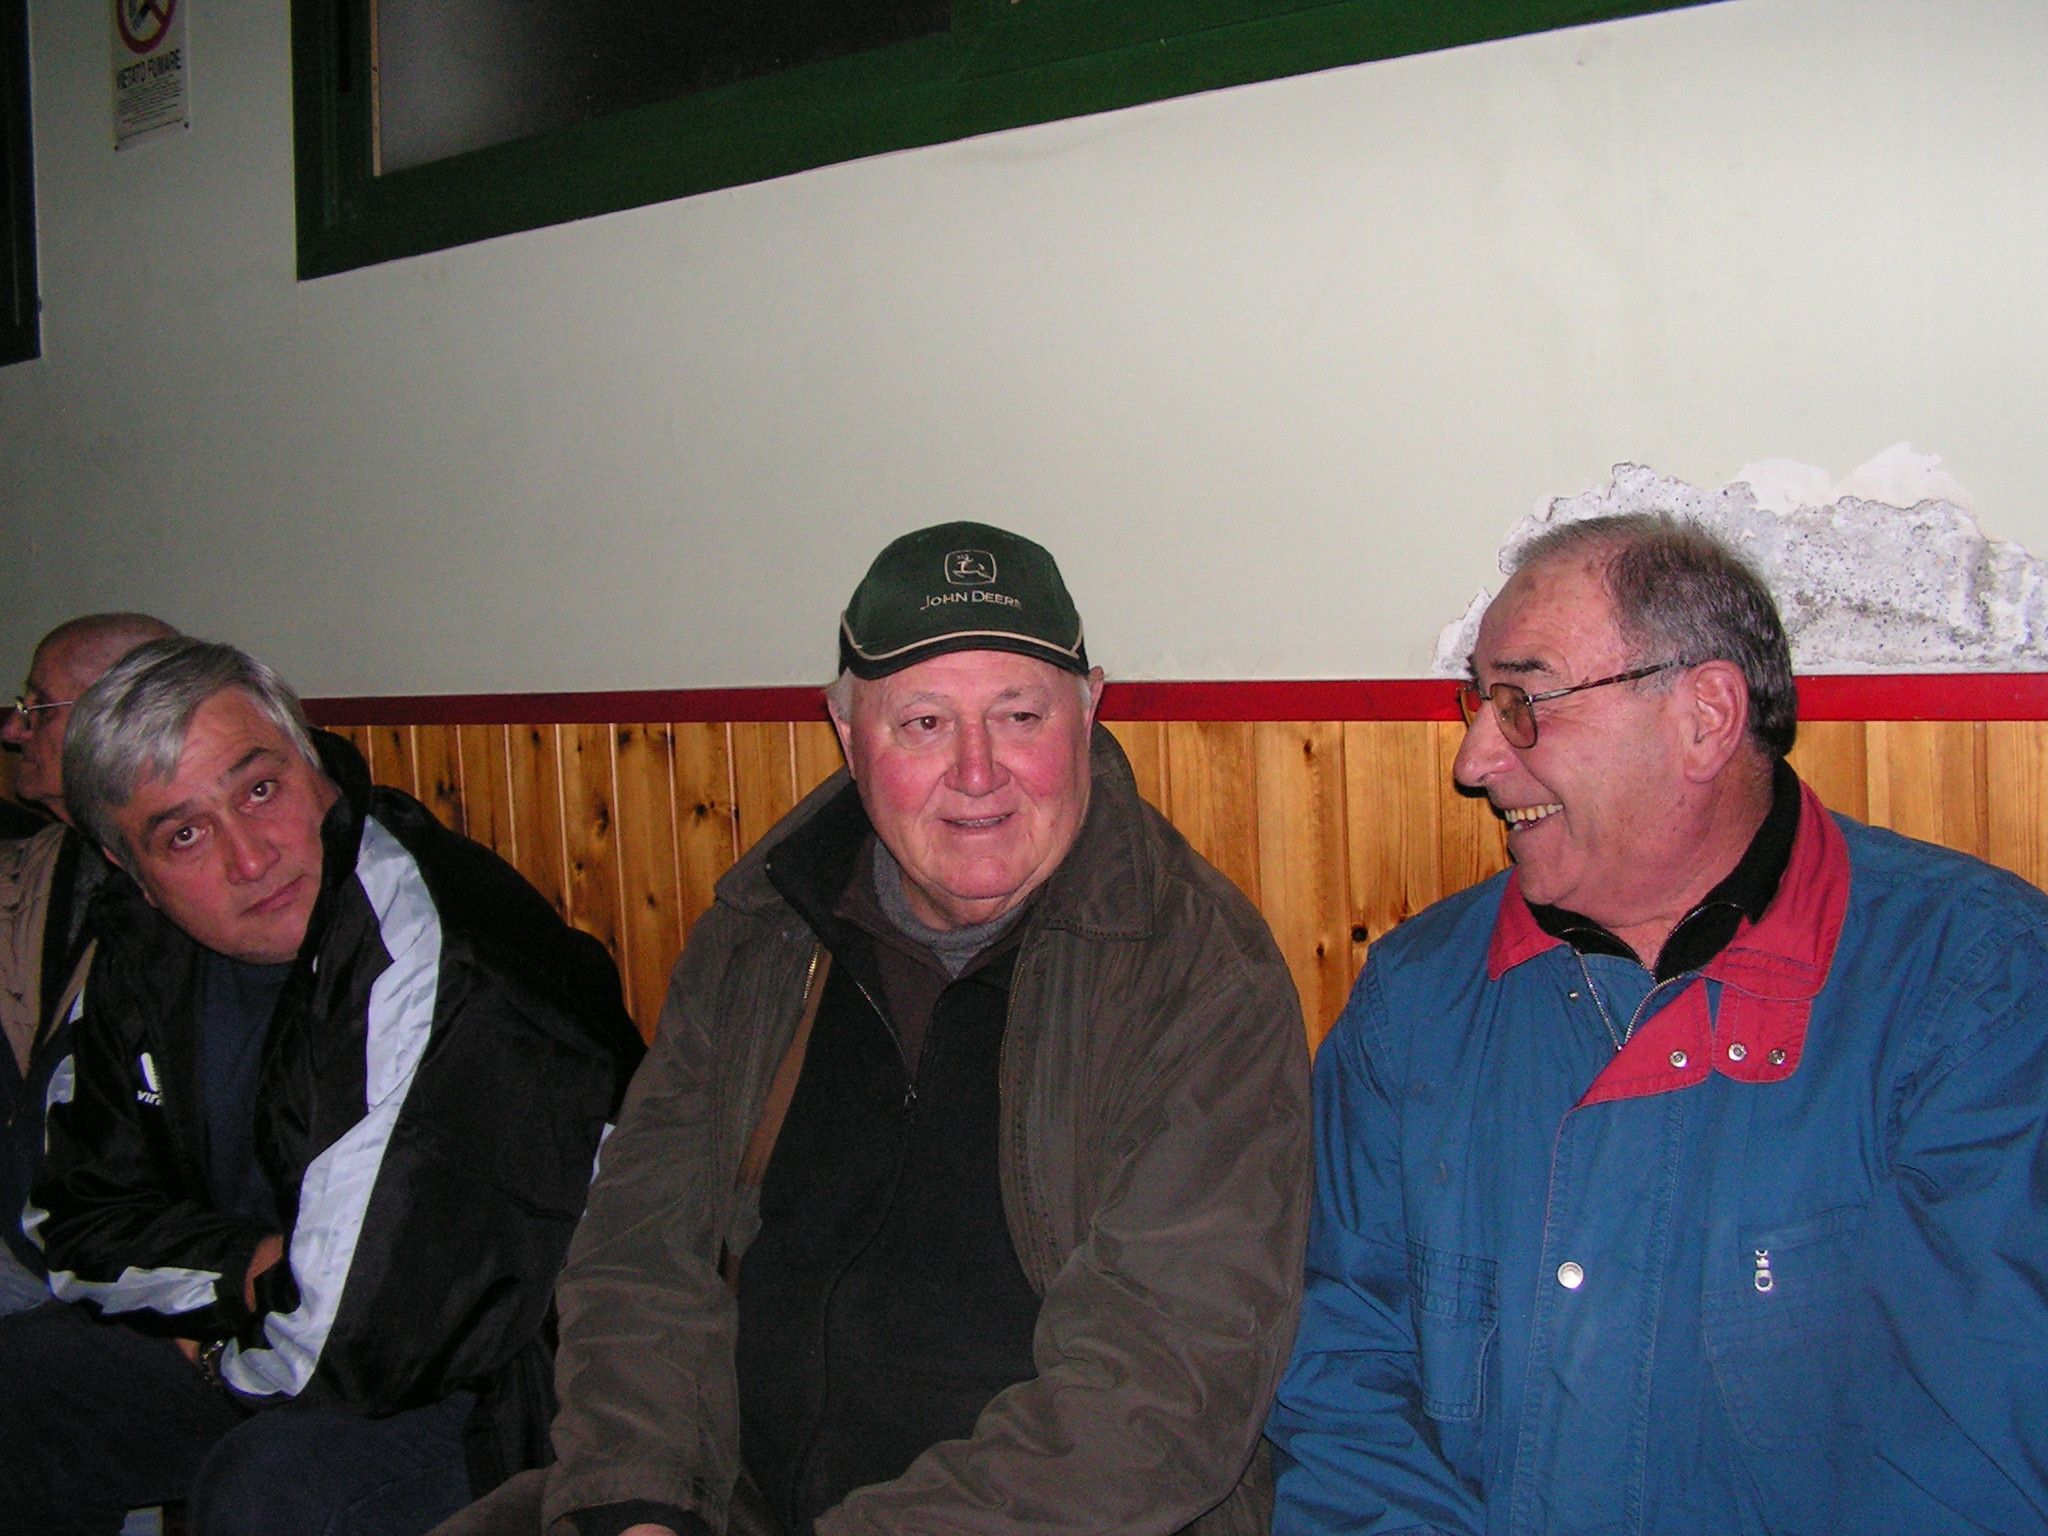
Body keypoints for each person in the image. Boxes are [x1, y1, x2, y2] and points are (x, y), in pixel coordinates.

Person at [439, 521, 1311, 1536]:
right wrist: (643, 1503)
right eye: (923, 724)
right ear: (847, 734)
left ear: (1090, 710)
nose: (977, 773)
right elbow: (641, 1252)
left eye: (1018, 715)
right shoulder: (760, 934)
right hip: (730, 1498)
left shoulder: (1197, 973)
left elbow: (1161, 1394)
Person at [1267, 513, 2048, 1534]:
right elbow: (1339, 1384)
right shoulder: (1416, 998)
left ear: (1703, 714)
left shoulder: (1970, 986)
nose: (1471, 761)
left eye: (1522, 702)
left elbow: (1975, 1460)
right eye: (1477, 702)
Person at [0, 638, 647, 1536]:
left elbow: (367, 1333)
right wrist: (237, 1270)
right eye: (183, 833)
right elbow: (66, 1209)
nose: (251, 858)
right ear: (130, 873)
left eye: (258, 790)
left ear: (313, 766)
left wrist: (217, 1337)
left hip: (509, 1370)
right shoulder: (138, 949)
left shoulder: (444, 950)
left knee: (277, 1491)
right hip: (286, 1329)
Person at [0, 611, 178, 1313]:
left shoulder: (199, 902)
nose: (13, 729)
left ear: (117, 720)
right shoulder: (41, 867)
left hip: (112, 1268)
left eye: (34, 708)